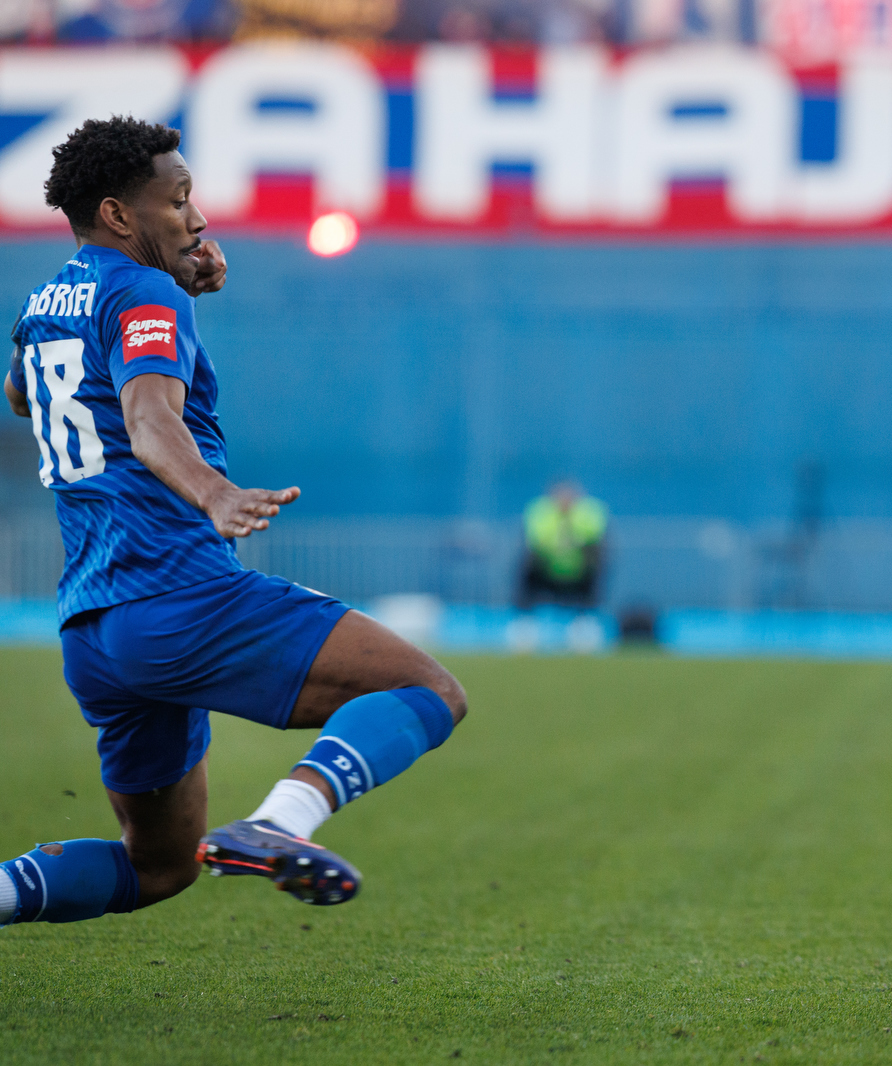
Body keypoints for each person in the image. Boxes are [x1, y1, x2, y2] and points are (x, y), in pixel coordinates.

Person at [1, 117, 467, 927]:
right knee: (428, 689)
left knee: (158, 867)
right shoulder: (142, 292)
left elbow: (22, 393)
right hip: (177, 593)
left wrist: (175, 286)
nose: (197, 216)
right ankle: (278, 823)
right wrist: (211, 492)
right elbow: (150, 424)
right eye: (177, 199)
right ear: (119, 215)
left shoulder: (45, 305)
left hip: (91, 628)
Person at [516, 480, 607, 609]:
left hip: (579, 573)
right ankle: (525, 614)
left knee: (598, 555)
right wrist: (568, 541)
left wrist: (568, 539)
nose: (565, 499)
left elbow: (593, 538)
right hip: (548, 571)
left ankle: (589, 610)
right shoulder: (541, 511)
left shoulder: (589, 511)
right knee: (528, 559)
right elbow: (537, 541)